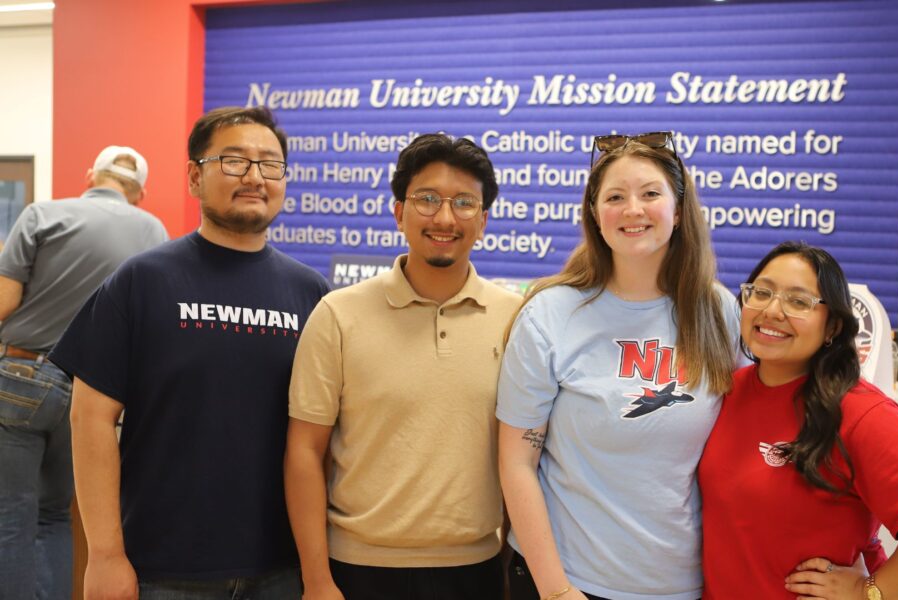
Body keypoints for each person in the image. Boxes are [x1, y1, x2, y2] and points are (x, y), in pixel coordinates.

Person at [49, 106, 331, 599]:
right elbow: (89, 419)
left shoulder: (312, 294)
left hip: (282, 569)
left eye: (270, 164)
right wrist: (105, 554)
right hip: (163, 568)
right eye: (235, 161)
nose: (254, 177)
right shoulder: (141, 281)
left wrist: (316, 572)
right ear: (194, 177)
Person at [496, 132, 740, 600]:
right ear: (594, 213)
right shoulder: (550, 314)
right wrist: (556, 590)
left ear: (678, 208)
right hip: (568, 581)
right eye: (615, 196)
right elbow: (516, 462)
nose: (633, 210)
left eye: (650, 194)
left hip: (681, 584)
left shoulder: (716, 311)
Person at [285, 133, 522, 600]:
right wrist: (316, 581)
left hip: (475, 570)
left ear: (485, 220)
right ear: (398, 212)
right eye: (427, 199)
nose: (445, 218)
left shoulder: (515, 319)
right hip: (357, 568)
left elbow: (524, 455)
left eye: (464, 203)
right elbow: (304, 453)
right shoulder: (338, 314)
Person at [698, 240, 898, 599]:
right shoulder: (727, 390)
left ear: (832, 326)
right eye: (762, 292)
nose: (772, 310)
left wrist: (871, 592)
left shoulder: (858, 411)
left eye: (799, 301)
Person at [0, 145, 167, 600]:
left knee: (11, 518)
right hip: (92, 398)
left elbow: (5, 301)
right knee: (54, 516)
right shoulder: (154, 230)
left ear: (91, 173)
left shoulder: (41, 214)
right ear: (140, 193)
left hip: (22, 376)